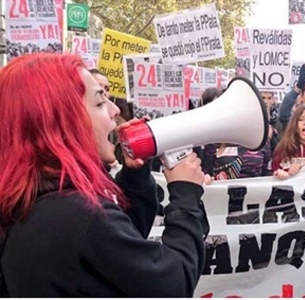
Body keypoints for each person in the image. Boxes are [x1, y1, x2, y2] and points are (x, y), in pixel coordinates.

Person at [0, 54, 210, 297]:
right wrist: (185, 197)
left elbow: (122, 252)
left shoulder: (38, 200)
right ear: (63, 121)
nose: (115, 110)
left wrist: (135, 177)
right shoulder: (79, 214)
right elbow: (174, 283)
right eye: (100, 103)